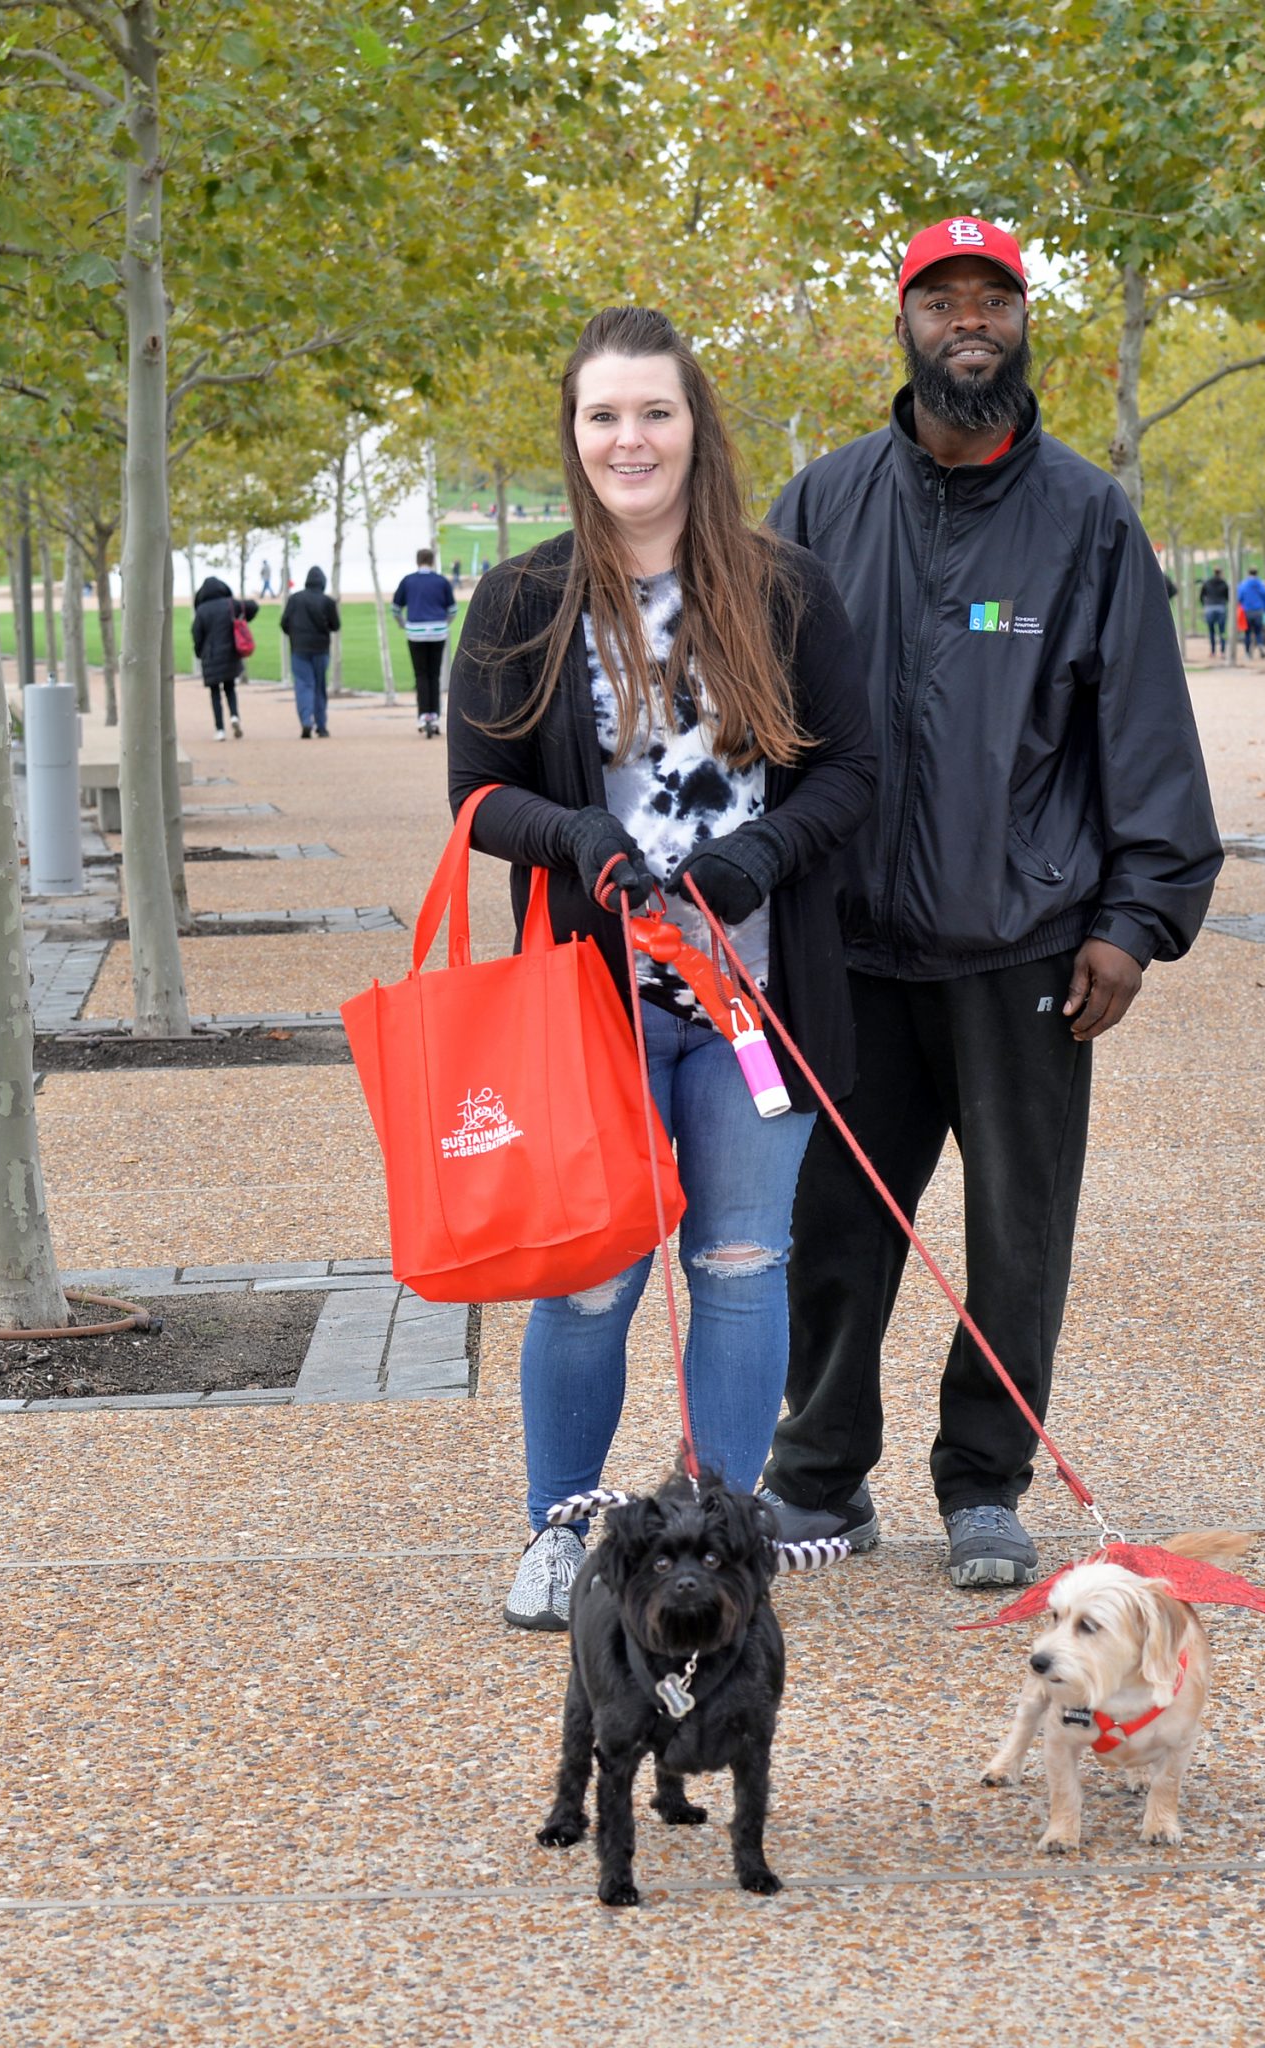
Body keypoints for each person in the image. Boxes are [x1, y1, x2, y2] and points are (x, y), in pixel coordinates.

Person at [757, 216, 1221, 1590]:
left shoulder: (1086, 515)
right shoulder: (820, 504)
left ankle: (984, 1483)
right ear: (902, 323)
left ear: (1023, 322)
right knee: (831, 1228)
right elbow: (752, 710)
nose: (970, 320)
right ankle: (817, 1475)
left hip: (1023, 946)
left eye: (994, 299)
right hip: (846, 950)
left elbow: (1144, 726)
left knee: (1017, 1237)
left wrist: (1134, 920)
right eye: (941, 299)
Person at [448, 306, 877, 1631]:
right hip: (595, 1010)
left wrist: (757, 857)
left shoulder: (784, 588)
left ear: (696, 427)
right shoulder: (522, 599)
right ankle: (561, 1530)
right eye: (603, 415)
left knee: (740, 1265)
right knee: (589, 1275)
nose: (628, 439)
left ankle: (719, 1542)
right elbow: (476, 794)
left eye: (654, 412)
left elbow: (853, 772)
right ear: (573, 434)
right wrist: (581, 839)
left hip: (756, 1006)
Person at [389, 548, 458, 738]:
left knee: (420, 674)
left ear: (417, 561)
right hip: (438, 632)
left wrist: (403, 624)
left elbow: (395, 608)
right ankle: (434, 715)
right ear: (433, 561)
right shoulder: (441, 581)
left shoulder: (408, 581)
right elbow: (453, 610)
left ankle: (423, 714)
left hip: (415, 633)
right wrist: (444, 624)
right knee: (434, 674)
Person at [188, 575, 257, 741]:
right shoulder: (230, 604)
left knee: (215, 693)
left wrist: (199, 652)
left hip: (210, 655)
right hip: (230, 653)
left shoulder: (202, 610)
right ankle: (234, 716)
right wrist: (242, 618)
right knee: (230, 688)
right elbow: (253, 606)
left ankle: (220, 729)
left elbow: (196, 635)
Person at [278, 565, 341, 738]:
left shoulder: (295, 599)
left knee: (304, 685)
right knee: (319, 687)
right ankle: (321, 725)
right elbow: (336, 626)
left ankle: (306, 720)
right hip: (321, 649)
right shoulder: (327, 602)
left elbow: (284, 623)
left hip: (299, 648)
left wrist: (294, 634)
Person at [1235, 565, 1265, 660]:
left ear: (1248, 573)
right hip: (1259, 611)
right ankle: (1260, 646)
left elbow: (1239, 598)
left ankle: (1248, 653)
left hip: (1247, 611)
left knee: (1247, 633)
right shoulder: (1261, 585)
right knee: (1258, 631)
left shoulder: (1243, 585)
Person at [1197, 567, 1230, 660]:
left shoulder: (1207, 583)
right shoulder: (1224, 583)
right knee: (1222, 631)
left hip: (1209, 608)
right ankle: (1222, 651)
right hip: (1221, 608)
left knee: (1211, 631)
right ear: (1221, 573)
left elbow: (1201, 596)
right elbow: (1228, 597)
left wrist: (1204, 605)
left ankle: (1212, 651)